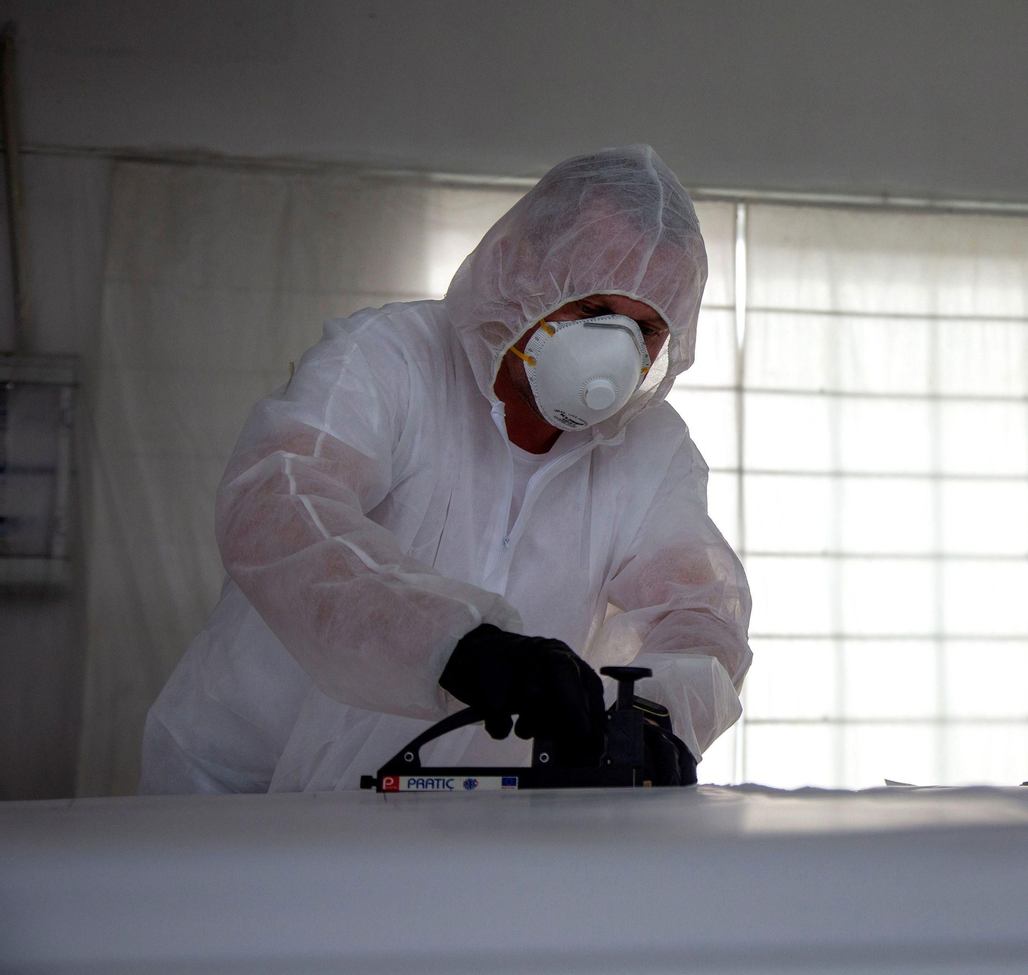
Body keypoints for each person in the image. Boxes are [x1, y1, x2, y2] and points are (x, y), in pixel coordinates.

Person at [138, 146, 752, 793]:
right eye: (591, 309)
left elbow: (700, 614)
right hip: (246, 790)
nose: (613, 353)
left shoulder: (648, 454)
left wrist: (655, 713)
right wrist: (455, 642)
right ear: (523, 269)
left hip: (461, 811)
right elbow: (280, 507)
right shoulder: (388, 364)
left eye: (646, 329)